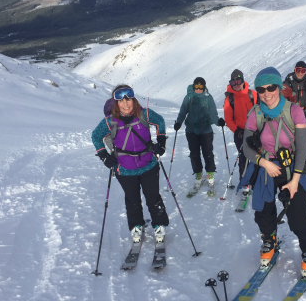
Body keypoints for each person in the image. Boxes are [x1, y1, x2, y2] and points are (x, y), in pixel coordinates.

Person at [240, 67, 306, 278]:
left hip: (291, 169)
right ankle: (269, 240)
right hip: (267, 167)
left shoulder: (294, 110)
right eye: (261, 89)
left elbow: (302, 148)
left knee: (298, 217)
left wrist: (295, 180)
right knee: (263, 212)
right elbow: (246, 147)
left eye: (271, 87)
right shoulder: (255, 113)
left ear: (278, 86)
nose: (267, 93)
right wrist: (263, 163)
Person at [91, 85, 169, 244]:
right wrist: (104, 155)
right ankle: (136, 227)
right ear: (116, 103)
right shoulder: (109, 121)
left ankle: (159, 225)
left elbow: (160, 121)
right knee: (132, 200)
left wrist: (161, 141)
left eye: (129, 100)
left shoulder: (144, 114)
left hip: (148, 164)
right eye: (121, 101)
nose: (126, 104)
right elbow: (95, 136)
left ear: (133, 101)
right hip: (124, 169)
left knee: (153, 197)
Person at [174, 77, 225, 194]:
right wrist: (178, 122)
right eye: (196, 87)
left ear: (204, 87)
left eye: (200, 87)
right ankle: (198, 176)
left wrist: (218, 122)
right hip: (191, 130)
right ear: (193, 86)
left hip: (206, 130)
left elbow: (213, 113)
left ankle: (210, 177)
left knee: (208, 154)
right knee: (194, 154)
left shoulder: (208, 98)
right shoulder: (189, 97)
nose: (198, 89)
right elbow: (183, 111)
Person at [223, 69, 258, 193]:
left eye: (238, 81)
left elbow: (260, 111)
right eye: (234, 82)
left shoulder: (253, 94)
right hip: (240, 133)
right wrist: (237, 130)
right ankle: (245, 183)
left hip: (255, 131)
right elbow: (228, 119)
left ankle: (257, 180)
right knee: (243, 157)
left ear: (243, 81)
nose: (236, 84)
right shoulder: (229, 99)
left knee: (258, 156)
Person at [282, 61, 306, 137]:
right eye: (298, 70)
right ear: (295, 70)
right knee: (288, 137)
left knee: (303, 138)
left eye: (303, 70)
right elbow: (280, 99)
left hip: (304, 116)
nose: (300, 73)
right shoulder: (287, 83)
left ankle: (304, 148)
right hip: (289, 116)